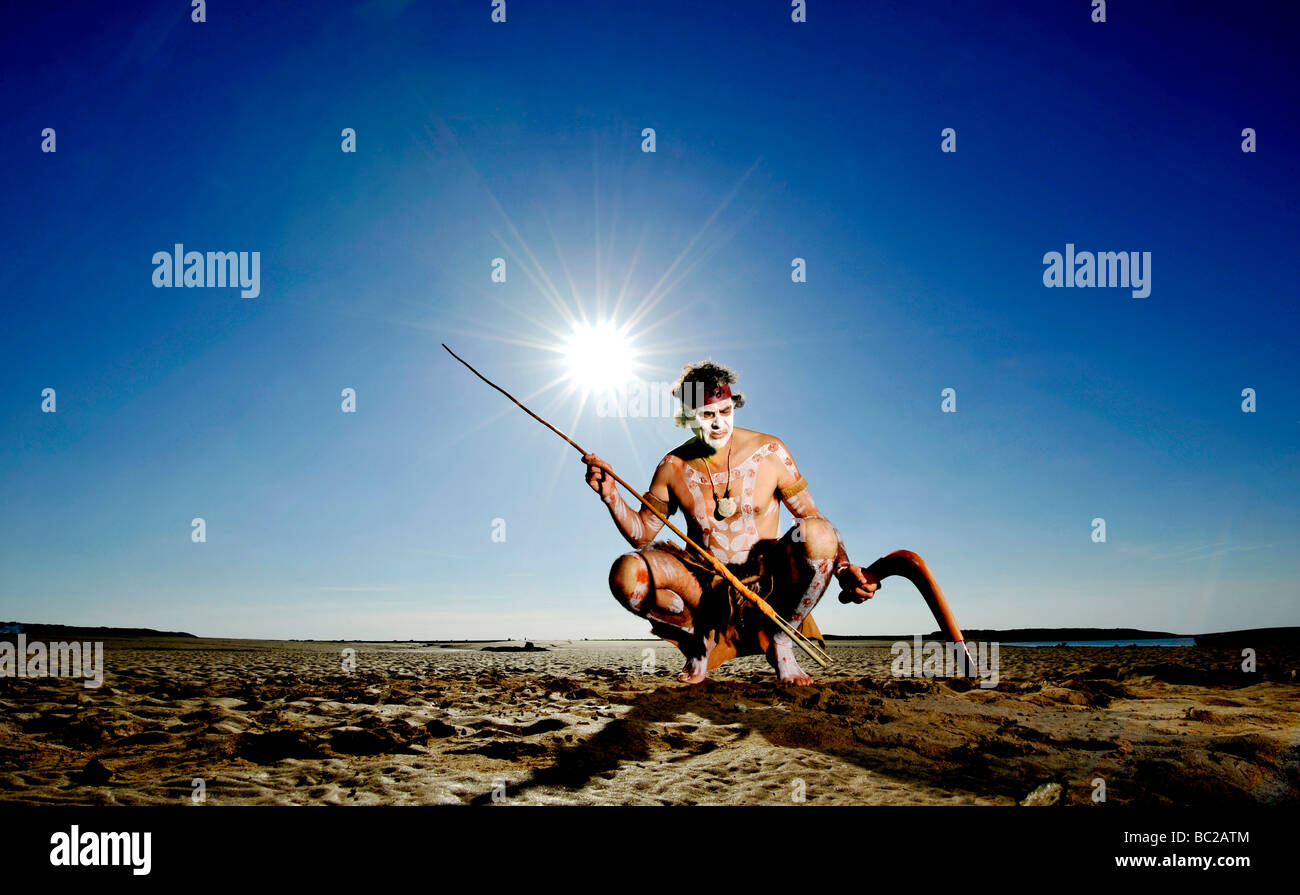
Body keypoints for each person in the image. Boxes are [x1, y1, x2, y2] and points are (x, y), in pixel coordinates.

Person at [583, 360, 879, 684]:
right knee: (627, 573)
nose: (718, 424)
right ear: (685, 417)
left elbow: (812, 519)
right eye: (707, 415)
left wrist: (842, 567)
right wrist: (610, 494)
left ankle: (781, 642)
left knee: (819, 535)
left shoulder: (771, 450)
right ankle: (698, 642)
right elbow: (642, 535)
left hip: (768, 583)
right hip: (704, 588)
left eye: (725, 411)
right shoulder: (671, 466)